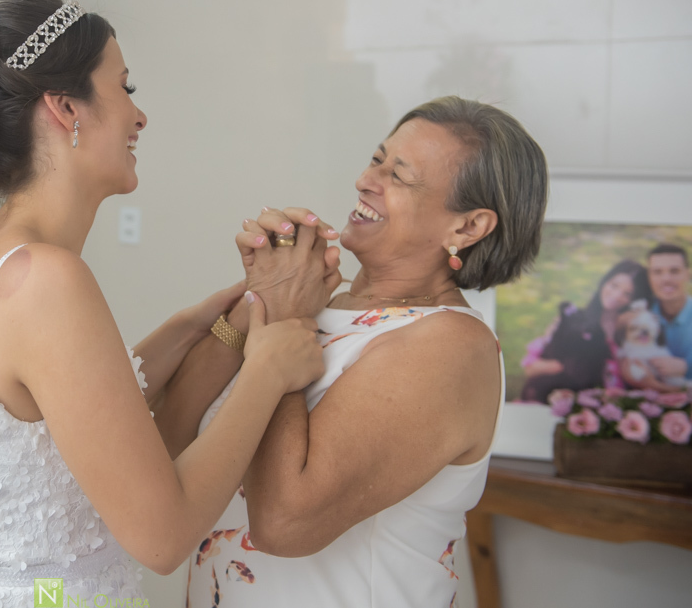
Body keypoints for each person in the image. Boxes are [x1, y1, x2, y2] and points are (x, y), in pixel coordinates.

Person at [0, 0, 333, 606]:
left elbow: (66, 427)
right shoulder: (46, 280)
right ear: (66, 109)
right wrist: (267, 371)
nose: (139, 115)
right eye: (124, 88)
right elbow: (164, 537)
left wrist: (203, 327)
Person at [153, 96, 548, 608]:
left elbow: (284, 523)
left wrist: (285, 316)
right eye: (377, 158)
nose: (367, 179)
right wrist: (251, 310)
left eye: (400, 176)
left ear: (467, 227)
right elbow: (167, 446)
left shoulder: (451, 346)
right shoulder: (311, 304)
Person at [518, 260, 652, 402]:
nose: (617, 295)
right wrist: (566, 366)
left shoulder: (635, 331)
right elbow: (531, 368)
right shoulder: (573, 320)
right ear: (605, 282)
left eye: (627, 294)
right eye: (614, 285)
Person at [647, 243, 692, 380]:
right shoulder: (639, 315)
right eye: (657, 272)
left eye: (674, 271)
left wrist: (687, 367)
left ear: (688, 274)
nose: (666, 279)